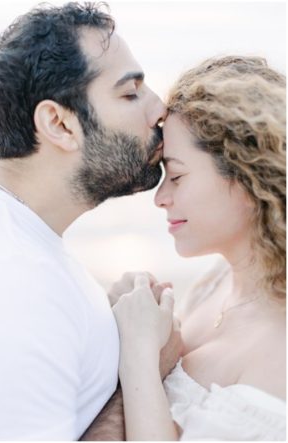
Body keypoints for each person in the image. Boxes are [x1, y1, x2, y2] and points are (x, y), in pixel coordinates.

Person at [0, 3, 179, 439]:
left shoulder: (33, 250)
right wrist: (145, 362)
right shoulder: (21, 282)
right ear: (59, 124)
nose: (160, 109)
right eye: (130, 93)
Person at [112, 55, 285, 440]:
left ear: (246, 175)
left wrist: (137, 352)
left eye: (176, 176)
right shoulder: (215, 283)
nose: (161, 198)